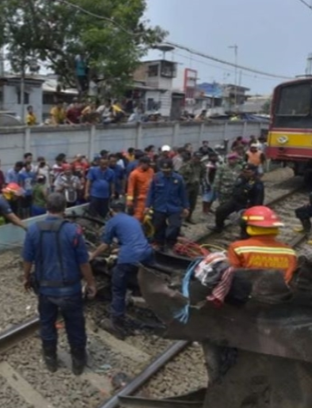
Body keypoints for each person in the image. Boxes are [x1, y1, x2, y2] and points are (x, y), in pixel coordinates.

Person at [21, 193, 96, 375]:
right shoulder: (74, 231)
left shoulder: (33, 230)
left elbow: (27, 260)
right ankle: (78, 363)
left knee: (47, 324)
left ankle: (51, 360)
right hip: (70, 289)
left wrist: (26, 278)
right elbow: (83, 262)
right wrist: (91, 283)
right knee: (75, 325)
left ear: (47, 207)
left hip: (46, 290)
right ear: (64, 208)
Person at [90, 198, 154, 338]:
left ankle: (116, 321)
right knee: (135, 275)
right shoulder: (133, 220)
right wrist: (120, 250)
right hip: (147, 253)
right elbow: (134, 239)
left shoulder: (112, 222)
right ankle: (139, 295)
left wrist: (92, 256)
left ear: (111, 210)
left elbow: (105, 245)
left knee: (118, 287)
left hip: (130, 257)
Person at [227, 206, 297, 283]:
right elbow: (288, 279)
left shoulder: (238, 248)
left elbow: (231, 276)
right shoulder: (289, 252)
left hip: (246, 292)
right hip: (277, 293)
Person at [145, 159, 189, 250]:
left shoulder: (178, 179)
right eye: (164, 171)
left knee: (175, 225)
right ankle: (159, 243)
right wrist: (147, 206)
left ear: (171, 169)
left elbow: (183, 194)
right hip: (159, 206)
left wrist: (186, 207)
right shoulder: (156, 178)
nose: (165, 173)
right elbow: (151, 193)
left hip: (174, 207)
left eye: (168, 171)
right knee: (158, 226)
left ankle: (170, 243)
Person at [212, 164, 265, 235]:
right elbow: (235, 189)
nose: (245, 173)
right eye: (244, 171)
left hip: (247, 204)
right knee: (220, 211)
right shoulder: (241, 177)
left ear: (253, 172)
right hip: (235, 201)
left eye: (247, 172)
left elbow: (259, 198)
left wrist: (254, 209)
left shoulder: (257, 183)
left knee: (245, 221)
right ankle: (219, 227)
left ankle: (244, 235)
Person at [179, 152, 206, 224]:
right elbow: (180, 175)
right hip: (187, 186)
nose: (198, 160)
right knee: (184, 203)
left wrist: (200, 181)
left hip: (195, 186)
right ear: (193, 157)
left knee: (193, 203)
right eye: (197, 158)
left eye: (199, 158)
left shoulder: (201, 165)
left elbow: (203, 173)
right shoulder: (186, 165)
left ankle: (189, 217)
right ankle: (181, 220)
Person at [127, 156, 154, 221]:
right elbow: (131, 188)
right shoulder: (134, 174)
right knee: (138, 217)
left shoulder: (151, 171)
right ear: (141, 163)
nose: (148, 166)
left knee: (150, 218)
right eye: (147, 164)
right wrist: (129, 201)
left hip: (151, 199)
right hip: (140, 199)